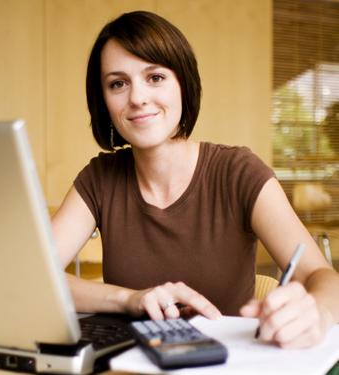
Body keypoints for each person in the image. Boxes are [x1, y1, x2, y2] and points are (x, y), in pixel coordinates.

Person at [52, 10, 339, 349]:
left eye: (155, 77)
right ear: (104, 102)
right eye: (118, 83)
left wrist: (317, 312)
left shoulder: (238, 171)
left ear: (183, 85)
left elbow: (323, 277)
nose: (138, 98)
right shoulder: (100, 178)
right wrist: (129, 299)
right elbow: (36, 279)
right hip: (135, 366)